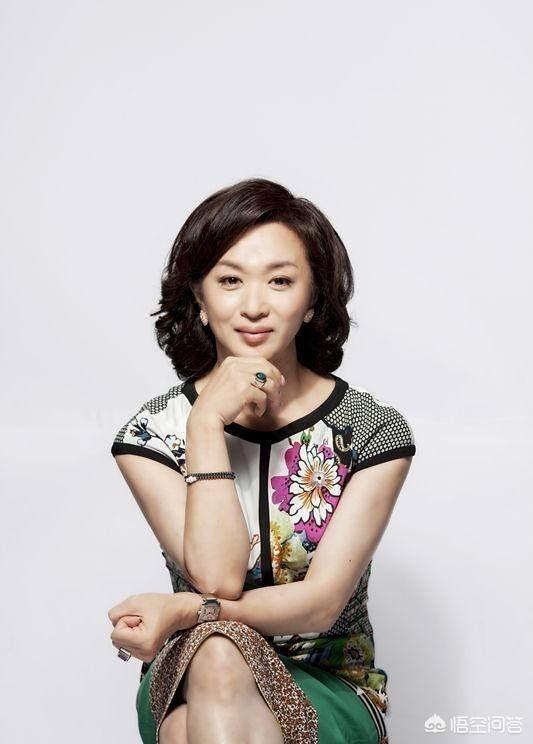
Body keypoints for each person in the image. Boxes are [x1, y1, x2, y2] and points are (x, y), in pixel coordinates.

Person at [107, 178, 416, 744]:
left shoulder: (371, 432)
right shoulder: (151, 436)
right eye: (230, 280)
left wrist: (184, 612)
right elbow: (218, 577)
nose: (253, 306)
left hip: (330, 684)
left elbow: (319, 606)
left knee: (194, 715)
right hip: (194, 674)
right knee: (218, 657)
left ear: (313, 299)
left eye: (280, 281)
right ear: (199, 298)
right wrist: (206, 424)